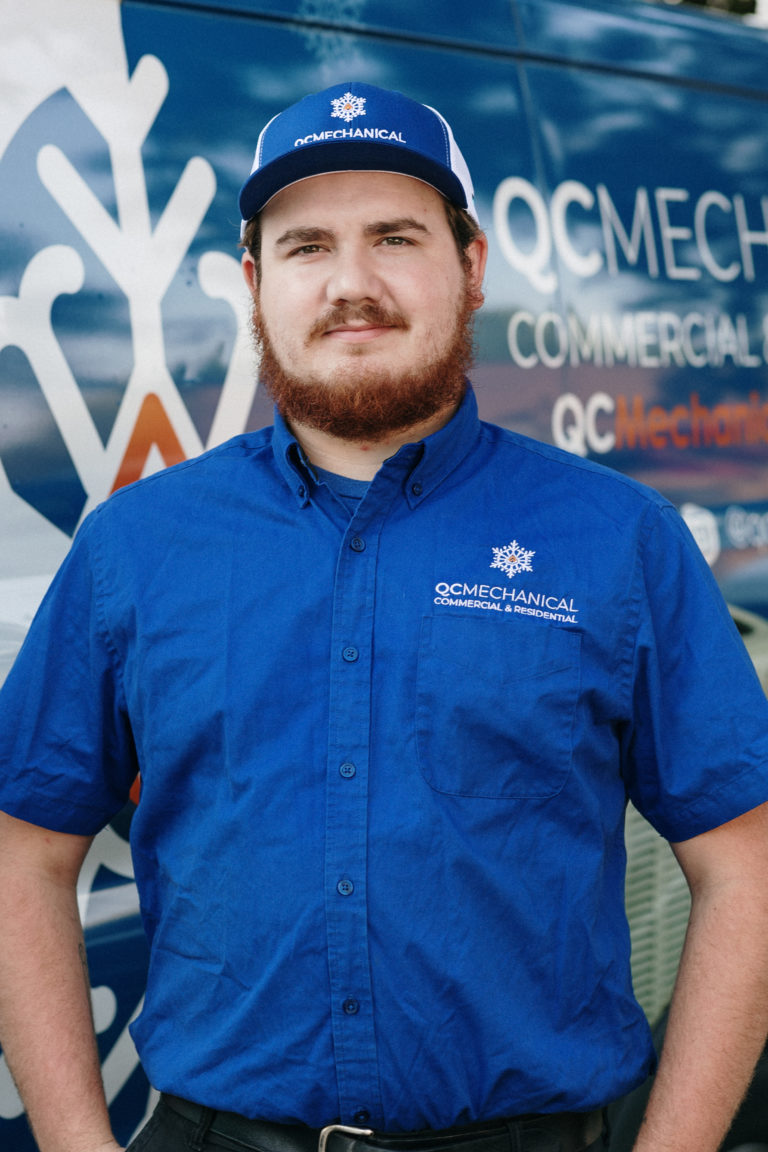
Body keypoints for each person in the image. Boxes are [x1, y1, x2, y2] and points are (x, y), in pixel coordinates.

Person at [0, 80, 767, 1152]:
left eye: (395, 236)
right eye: (308, 246)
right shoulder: (134, 547)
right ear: (256, 283)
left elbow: (745, 866)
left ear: (472, 264)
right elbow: (23, 853)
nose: (350, 285)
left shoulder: (621, 540)